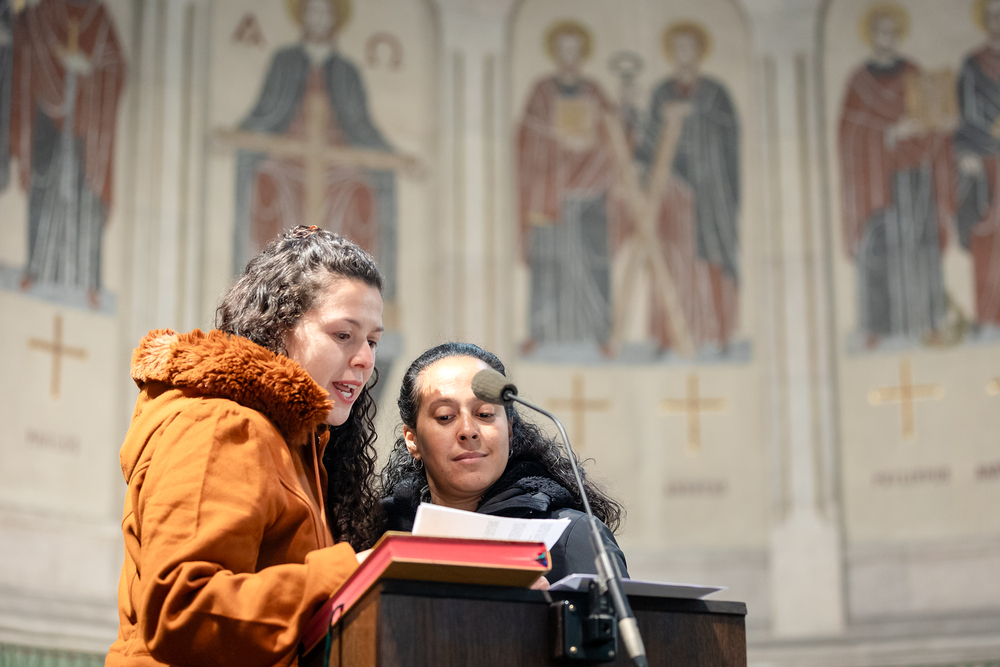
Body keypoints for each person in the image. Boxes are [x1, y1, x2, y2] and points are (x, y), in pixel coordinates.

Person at [106, 226, 384, 666]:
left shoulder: (295, 446)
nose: (366, 359)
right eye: (343, 335)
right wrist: (349, 572)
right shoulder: (221, 423)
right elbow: (182, 609)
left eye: (372, 341)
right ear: (279, 327)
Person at [378, 342, 628, 584]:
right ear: (412, 440)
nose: (468, 430)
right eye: (445, 416)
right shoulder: (379, 534)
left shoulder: (572, 537)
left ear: (509, 429)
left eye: (484, 414)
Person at [838, 2, 951, 347]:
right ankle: (878, 326)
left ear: (898, 35)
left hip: (914, 179)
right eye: (880, 31)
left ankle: (928, 321)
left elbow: (933, 123)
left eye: (891, 31)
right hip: (875, 185)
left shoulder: (914, 73)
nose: (886, 37)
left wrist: (917, 131)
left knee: (919, 249)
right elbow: (848, 134)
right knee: (878, 251)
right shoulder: (859, 82)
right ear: (871, 35)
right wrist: (885, 134)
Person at [517, 20, 626, 355]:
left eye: (575, 50)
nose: (569, 56)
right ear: (555, 52)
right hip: (550, 193)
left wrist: (618, 120)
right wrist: (558, 143)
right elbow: (527, 137)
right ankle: (540, 331)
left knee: (594, 261)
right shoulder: (542, 91)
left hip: (591, 191)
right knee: (548, 262)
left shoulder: (594, 92)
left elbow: (616, 138)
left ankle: (601, 333)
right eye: (563, 50)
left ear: (582, 53)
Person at [634, 21, 740, 354]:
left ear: (699, 52)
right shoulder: (662, 93)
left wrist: (694, 117)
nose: (684, 55)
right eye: (678, 48)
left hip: (710, 193)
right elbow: (648, 143)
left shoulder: (715, 94)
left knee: (711, 258)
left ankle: (719, 335)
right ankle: (667, 337)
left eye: (689, 48)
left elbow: (728, 139)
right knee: (669, 261)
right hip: (672, 192)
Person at [954, 0, 1000, 331]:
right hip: (986, 165)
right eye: (993, 17)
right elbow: (967, 117)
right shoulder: (973, 65)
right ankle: (987, 315)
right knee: (986, 236)